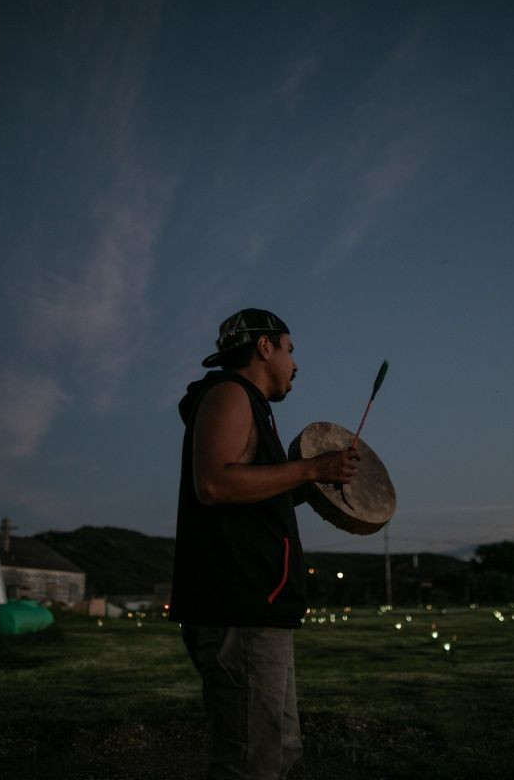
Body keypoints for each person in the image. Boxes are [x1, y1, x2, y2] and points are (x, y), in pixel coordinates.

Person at [170, 308, 359, 780]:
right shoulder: (230, 393)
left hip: (258, 609)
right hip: (240, 609)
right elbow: (213, 484)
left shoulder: (252, 406)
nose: (295, 364)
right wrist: (312, 468)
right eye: (291, 350)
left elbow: (250, 497)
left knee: (278, 749)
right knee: (251, 762)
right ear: (264, 347)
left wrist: (315, 481)